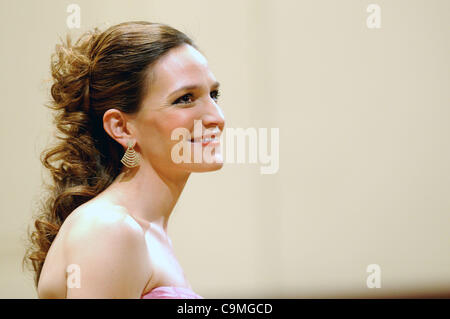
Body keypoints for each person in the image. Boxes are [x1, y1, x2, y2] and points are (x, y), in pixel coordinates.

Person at [23, 21, 225, 299]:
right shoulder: (110, 229)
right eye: (185, 98)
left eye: (214, 95)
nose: (216, 117)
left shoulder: (142, 231)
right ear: (122, 127)